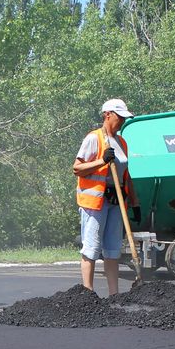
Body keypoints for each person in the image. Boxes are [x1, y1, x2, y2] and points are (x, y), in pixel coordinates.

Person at [73, 98, 140, 297]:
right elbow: (77, 168)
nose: (122, 121)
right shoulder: (94, 138)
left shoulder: (122, 143)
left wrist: (134, 202)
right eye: (120, 117)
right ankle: (87, 294)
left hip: (116, 201)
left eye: (124, 118)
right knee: (91, 248)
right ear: (107, 115)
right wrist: (102, 161)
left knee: (113, 250)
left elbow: (126, 176)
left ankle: (114, 296)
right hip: (95, 202)